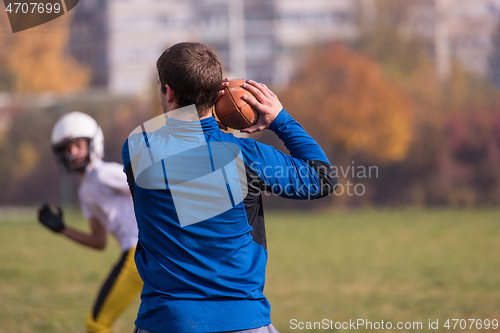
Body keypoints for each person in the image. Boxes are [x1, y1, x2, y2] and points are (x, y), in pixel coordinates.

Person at [122, 42, 337, 333]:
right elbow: (322, 179)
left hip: (164, 321)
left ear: (168, 91)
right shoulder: (247, 155)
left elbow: (184, 141)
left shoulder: (136, 147)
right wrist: (280, 120)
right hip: (243, 320)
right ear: (218, 88)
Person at [38, 111, 143, 333]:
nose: (73, 153)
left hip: (138, 253)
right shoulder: (86, 190)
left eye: (78, 145)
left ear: (93, 143)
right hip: (139, 253)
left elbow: (148, 186)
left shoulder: (104, 173)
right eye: (67, 149)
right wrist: (63, 230)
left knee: (97, 324)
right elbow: (99, 241)